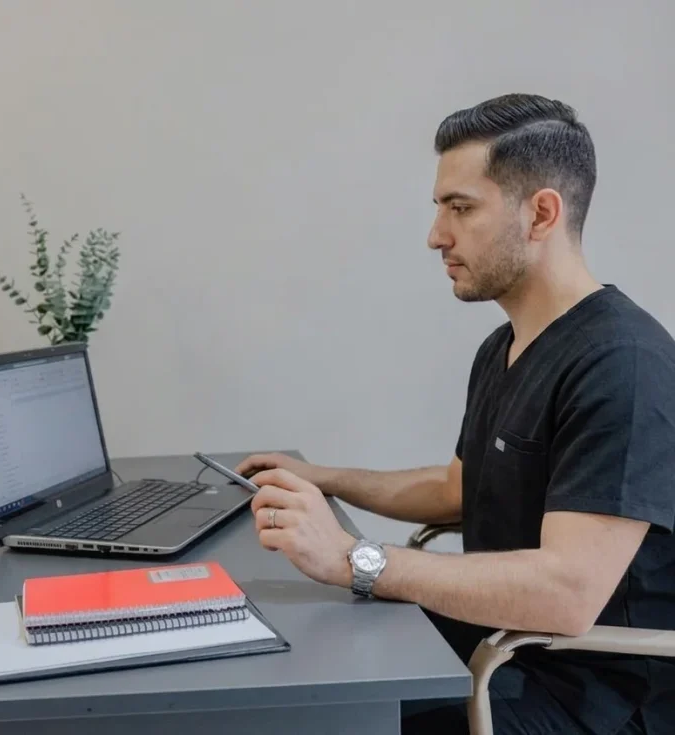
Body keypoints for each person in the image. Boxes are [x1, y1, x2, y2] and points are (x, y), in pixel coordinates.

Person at [235, 93, 675, 735]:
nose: (437, 235)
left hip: (591, 697)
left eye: (461, 209)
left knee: (318, 714)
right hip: (501, 648)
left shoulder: (624, 365)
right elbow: (456, 490)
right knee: (292, 668)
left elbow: (569, 592)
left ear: (541, 213)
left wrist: (357, 559)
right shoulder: (505, 346)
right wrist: (324, 478)